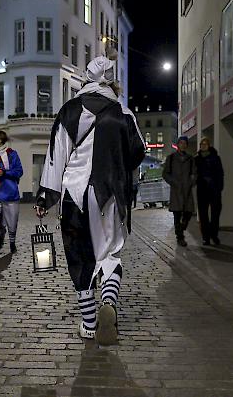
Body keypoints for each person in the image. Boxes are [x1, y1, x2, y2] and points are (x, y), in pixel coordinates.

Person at [35, 55, 145, 345]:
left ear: (85, 79)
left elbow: (55, 157)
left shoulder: (69, 110)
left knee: (79, 257)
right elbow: (138, 152)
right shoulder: (124, 113)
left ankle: (88, 323)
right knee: (109, 255)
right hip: (110, 194)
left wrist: (45, 197)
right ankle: (108, 300)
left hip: (74, 195)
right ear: (113, 83)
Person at [163, 136, 196, 247]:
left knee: (188, 212)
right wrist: (173, 182)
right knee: (177, 215)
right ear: (178, 144)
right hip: (176, 191)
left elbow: (195, 173)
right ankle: (180, 237)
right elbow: (165, 173)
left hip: (187, 190)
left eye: (184, 143)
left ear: (186, 145)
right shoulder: (171, 158)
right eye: (181, 143)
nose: (183, 145)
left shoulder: (190, 159)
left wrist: (192, 181)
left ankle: (182, 227)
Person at [195, 137, 224, 245]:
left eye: (205, 144)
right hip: (202, 190)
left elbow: (220, 174)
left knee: (215, 214)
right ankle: (206, 237)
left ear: (209, 145)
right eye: (201, 144)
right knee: (203, 215)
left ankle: (214, 234)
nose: (203, 146)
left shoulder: (216, 158)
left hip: (214, 190)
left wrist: (219, 187)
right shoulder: (197, 159)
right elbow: (194, 173)